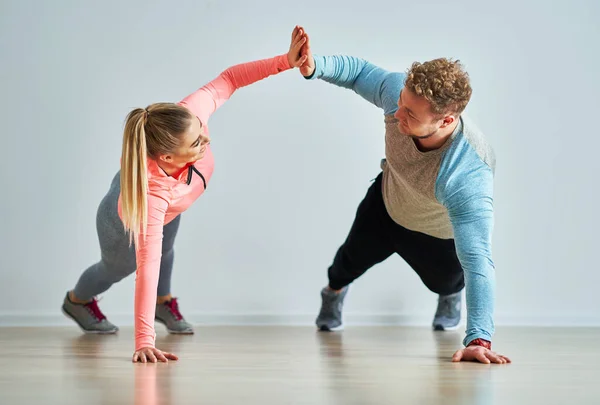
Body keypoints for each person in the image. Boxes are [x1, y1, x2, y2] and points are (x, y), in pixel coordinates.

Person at [61, 26, 310, 363]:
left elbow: (230, 78)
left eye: (200, 132)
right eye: (196, 143)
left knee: (168, 250)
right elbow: (145, 270)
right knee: (116, 268)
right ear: (166, 157)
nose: (205, 141)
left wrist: (285, 61)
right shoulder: (151, 197)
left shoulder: (186, 118)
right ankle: (77, 301)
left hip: (170, 207)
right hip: (125, 221)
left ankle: (165, 304)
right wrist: (144, 342)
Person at [296, 28, 511, 364]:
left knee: (449, 282)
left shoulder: (469, 173)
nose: (397, 114)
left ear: (446, 120)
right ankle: (333, 294)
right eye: (401, 105)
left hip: (435, 232)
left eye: (410, 115)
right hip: (387, 203)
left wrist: (479, 340)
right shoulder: (401, 94)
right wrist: (313, 65)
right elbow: (360, 72)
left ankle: (448, 297)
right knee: (343, 265)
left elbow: (479, 262)